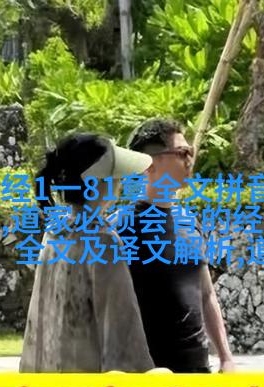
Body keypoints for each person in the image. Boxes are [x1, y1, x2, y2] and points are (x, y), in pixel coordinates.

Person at [20, 133, 156, 373]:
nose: (120, 182)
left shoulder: (55, 232)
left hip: (46, 378)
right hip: (87, 385)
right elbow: (122, 329)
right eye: (116, 176)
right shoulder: (103, 241)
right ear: (97, 183)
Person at [124, 118, 236, 373]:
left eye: (190, 152)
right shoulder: (121, 229)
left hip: (198, 370)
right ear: (148, 163)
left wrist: (226, 357)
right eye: (182, 152)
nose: (189, 160)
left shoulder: (189, 222)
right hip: (149, 376)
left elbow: (206, 294)